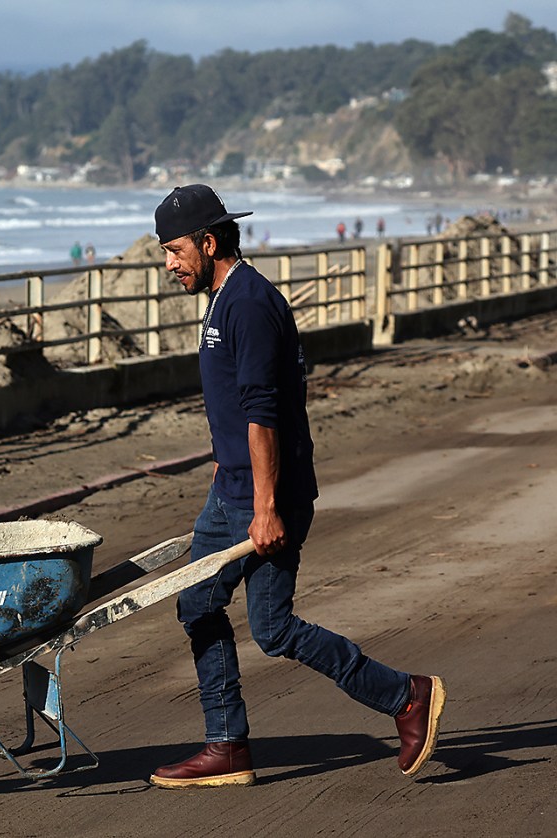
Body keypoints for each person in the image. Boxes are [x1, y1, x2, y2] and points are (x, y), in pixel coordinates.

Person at [149, 184, 445, 789]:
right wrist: (221, 463)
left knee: (273, 628)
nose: (168, 264)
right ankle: (227, 744)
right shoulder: (224, 298)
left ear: (209, 242)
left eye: (175, 250)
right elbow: (237, 403)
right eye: (164, 251)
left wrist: (264, 506)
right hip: (231, 486)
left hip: (261, 496)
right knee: (198, 603)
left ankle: (406, 696)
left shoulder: (249, 304)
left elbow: (264, 411)